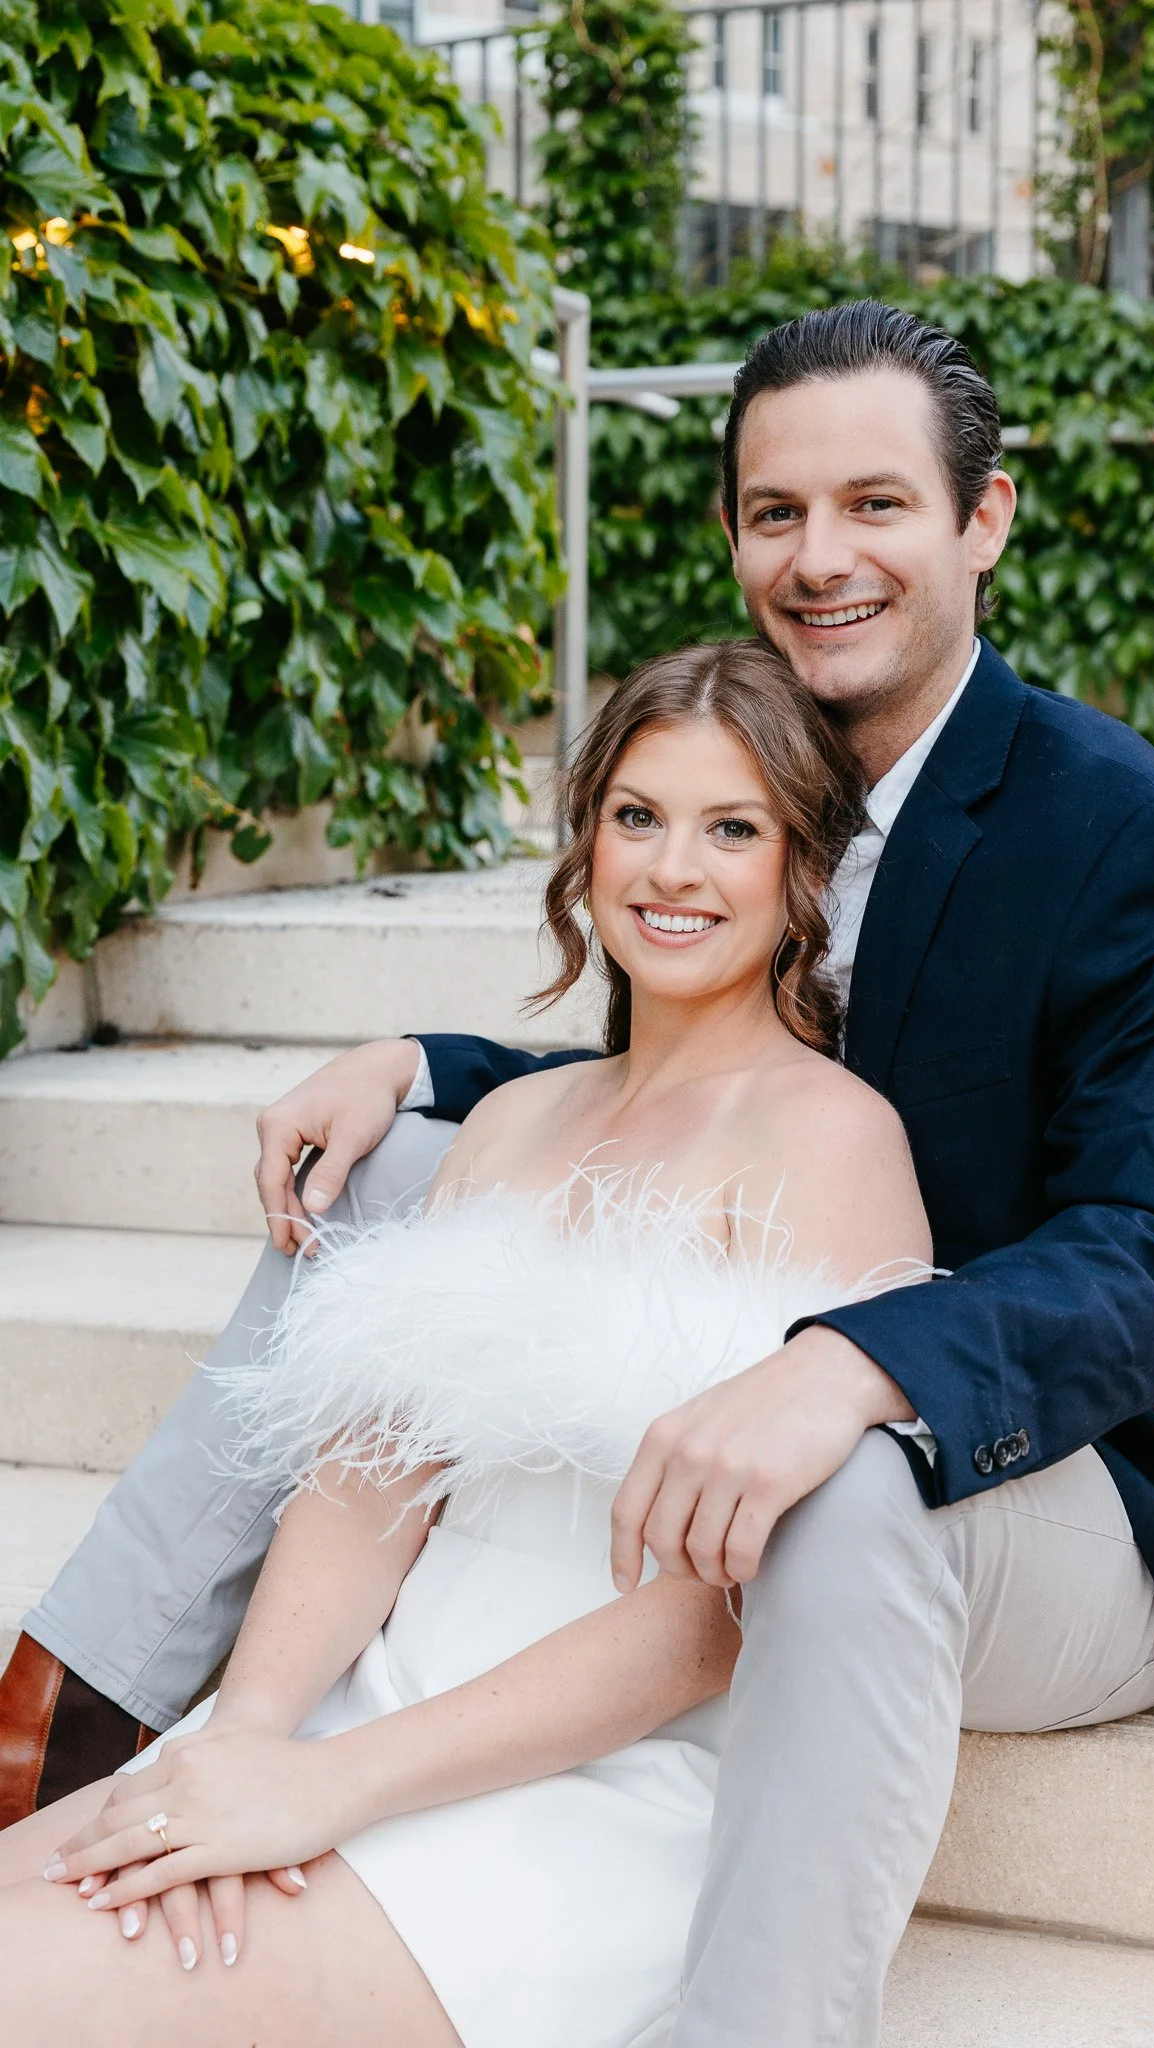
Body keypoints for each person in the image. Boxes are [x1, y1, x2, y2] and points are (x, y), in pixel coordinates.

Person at [0, 301, 1154, 2046]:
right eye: (776, 512)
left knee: (838, 1479)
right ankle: (91, 1700)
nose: (821, 556)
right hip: (724, 1416)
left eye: (878, 505)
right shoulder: (750, 749)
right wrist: (431, 1070)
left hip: (1060, 1465)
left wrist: (853, 1361)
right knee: (395, 1183)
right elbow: (694, 1068)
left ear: (985, 521)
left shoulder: (1128, 841)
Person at [2, 641, 929, 2041]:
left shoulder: (837, 1144)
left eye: (731, 829)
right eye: (637, 816)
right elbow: (372, 1468)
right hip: (362, 1700)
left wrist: (334, 1789)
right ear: (585, 842)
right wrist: (246, 1737)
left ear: (804, 870)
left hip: (590, 1777)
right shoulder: (510, 1124)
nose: (674, 869)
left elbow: (711, 1624)